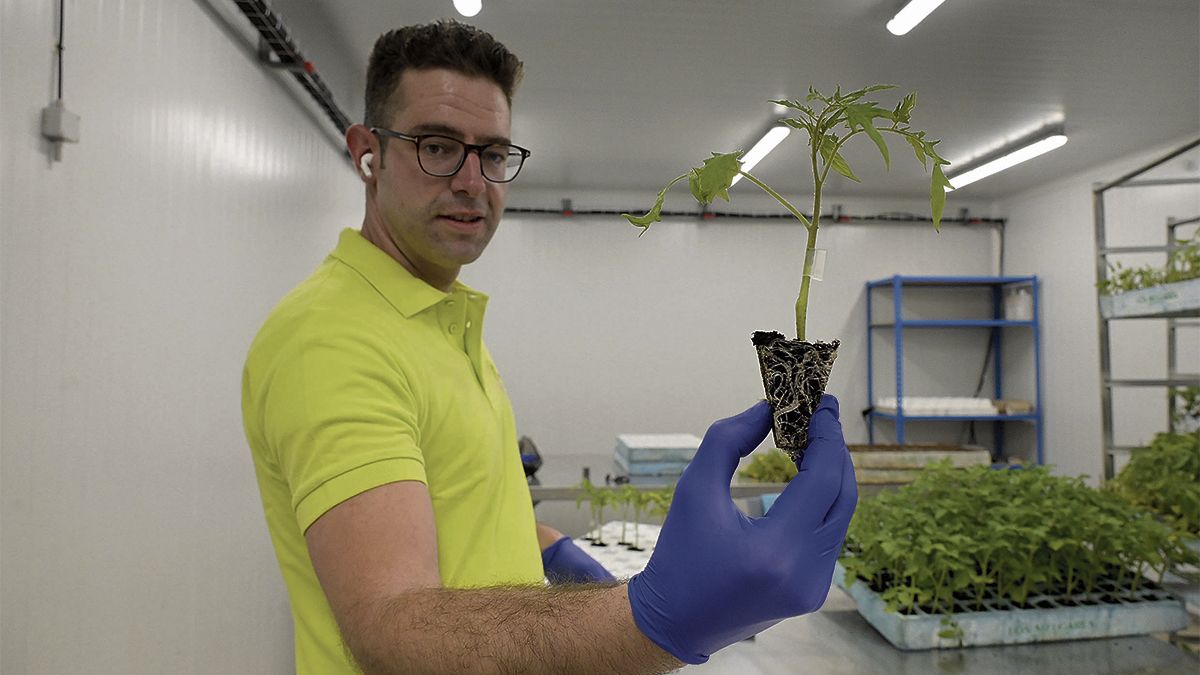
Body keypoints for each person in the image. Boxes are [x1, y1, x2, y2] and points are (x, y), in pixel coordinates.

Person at [241, 19, 857, 675]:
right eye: (438, 146)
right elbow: (395, 631)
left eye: (494, 154)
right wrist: (652, 617)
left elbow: (460, 508)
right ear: (369, 151)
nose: (472, 181)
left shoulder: (438, 321)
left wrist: (545, 544)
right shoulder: (333, 339)